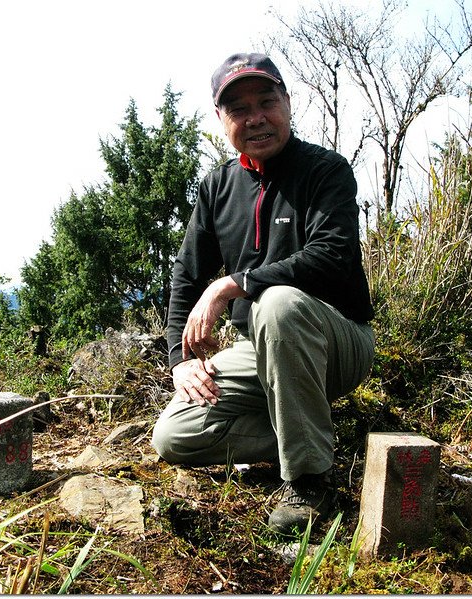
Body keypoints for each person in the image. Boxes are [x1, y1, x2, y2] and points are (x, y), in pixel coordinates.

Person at [151, 52, 375, 534]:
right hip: (262, 348)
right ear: (220, 120)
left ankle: (310, 482)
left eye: (266, 101)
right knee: (175, 435)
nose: (255, 118)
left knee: (277, 303)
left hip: (338, 341)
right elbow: (186, 277)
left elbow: (333, 254)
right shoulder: (217, 188)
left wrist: (233, 284)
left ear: (287, 103)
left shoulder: (325, 170)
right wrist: (179, 359)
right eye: (238, 109)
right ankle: (309, 436)